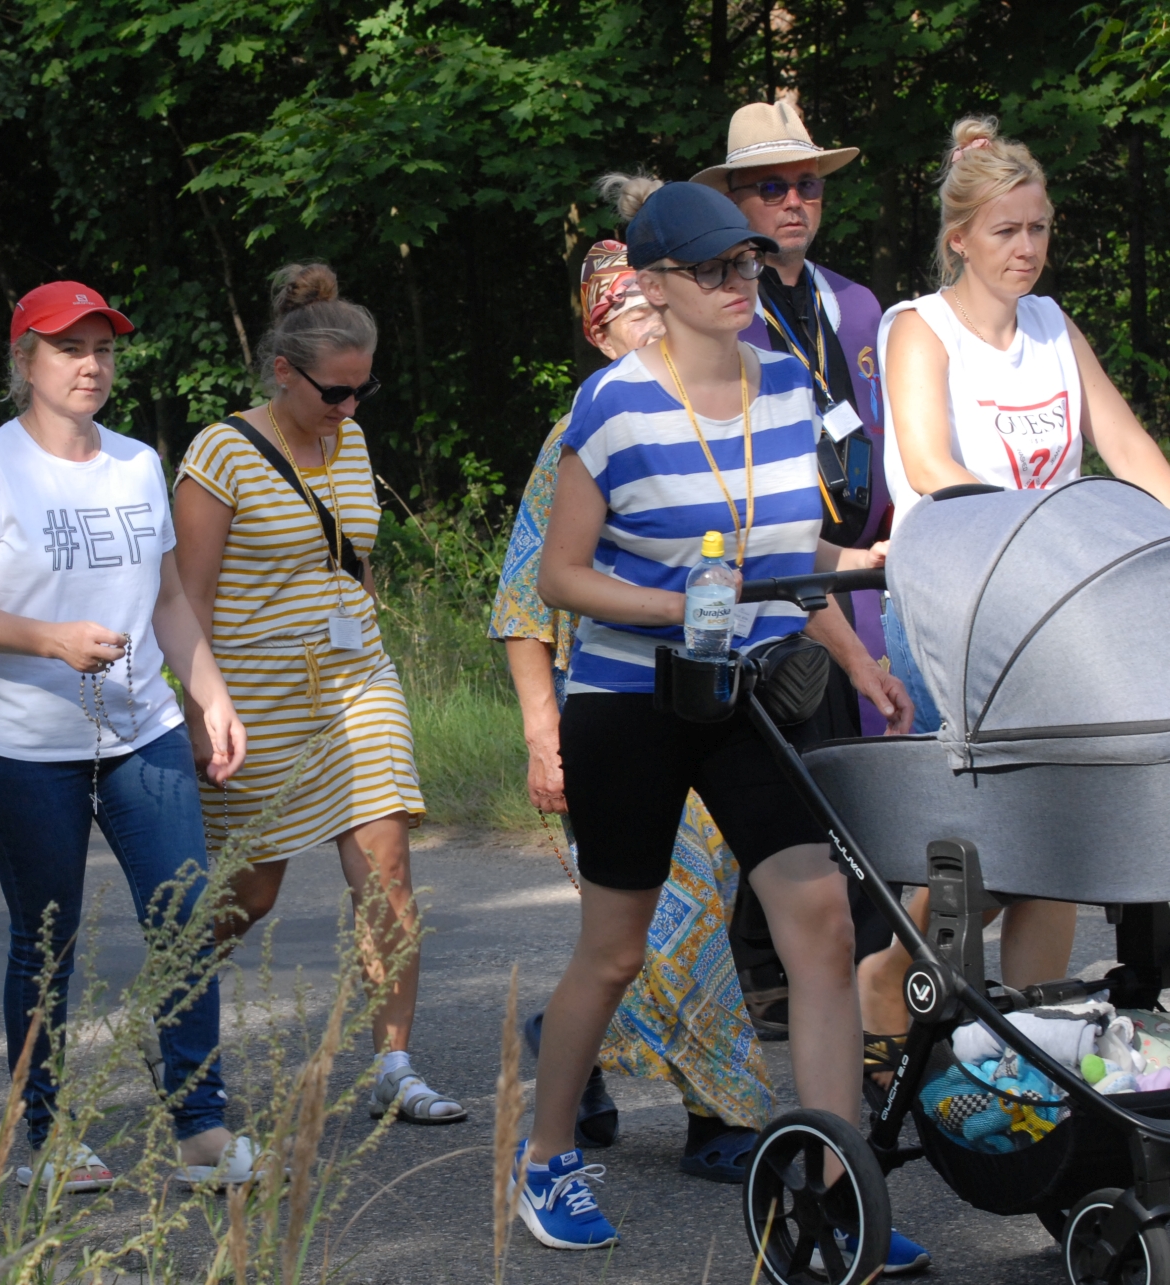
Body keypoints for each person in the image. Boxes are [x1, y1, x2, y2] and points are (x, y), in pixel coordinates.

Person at [516, 181, 928, 1274]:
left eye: (745, 263)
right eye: (712, 269)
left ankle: (837, 1189)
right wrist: (680, 605)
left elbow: (787, 554)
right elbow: (559, 576)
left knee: (822, 925)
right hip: (630, 698)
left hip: (750, 690)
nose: (740, 283)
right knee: (615, 949)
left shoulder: (787, 382)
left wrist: (860, 652)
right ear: (653, 286)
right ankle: (546, 1154)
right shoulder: (611, 406)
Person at [0, 280, 255, 1191]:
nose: (91, 364)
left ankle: (201, 1128)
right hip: (26, 747)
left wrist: (210, 695)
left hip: (142, 733)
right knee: (47, 940)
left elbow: (167, 598)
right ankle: (45, 1135)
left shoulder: (137, 463)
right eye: (68, 347)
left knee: (185, 918)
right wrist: (50, 639)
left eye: (103, 347)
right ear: (23, 360)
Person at [860, 115, 1170, 1041]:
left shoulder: (1052, 326)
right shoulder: (918, 329)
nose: (1026, 248)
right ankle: (888, 981)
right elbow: (929, 465)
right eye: (1006, 230)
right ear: (960, 238)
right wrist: (1045, 532)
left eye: (1038, 228)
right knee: (982, 849)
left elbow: (1133, 456)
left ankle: (1041, 1049)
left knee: (1060, 840)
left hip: (1056, 611)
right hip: (954, 605)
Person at [493, 223, 773, 1185]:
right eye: (626, 310)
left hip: (721, 703)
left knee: (686, 913)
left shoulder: (721, 408)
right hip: (617, 706)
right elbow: (525, 597)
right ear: (598, 329)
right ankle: (723, 1114)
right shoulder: (585, 427)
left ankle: (574, 1042)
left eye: (653, 303)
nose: (647, 321)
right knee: (674, 916)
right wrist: (542, 733)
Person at [172, 263, 464, 1127]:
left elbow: (352, 555)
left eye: (363, 388)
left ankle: (394, 1064)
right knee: (250, 894)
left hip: (356, 678)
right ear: (283, 373)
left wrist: (360, 613)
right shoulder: (220, 452)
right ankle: (170, 1009)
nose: (350, 405)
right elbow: (186, 596)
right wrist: (199, 708)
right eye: (335, 391)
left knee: (388, 868)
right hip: (253, 692)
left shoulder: (353, 441)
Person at [694, 97, 903, 1085]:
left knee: (856, 775)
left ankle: (859, 971)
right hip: (773, 573)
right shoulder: (726, 310)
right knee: (784, 771)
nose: (793, 202)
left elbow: (882, 428)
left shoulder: (856, 306)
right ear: (736, 201)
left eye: (807, 185)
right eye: (771, 186)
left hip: (860, 567)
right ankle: (766, 963)